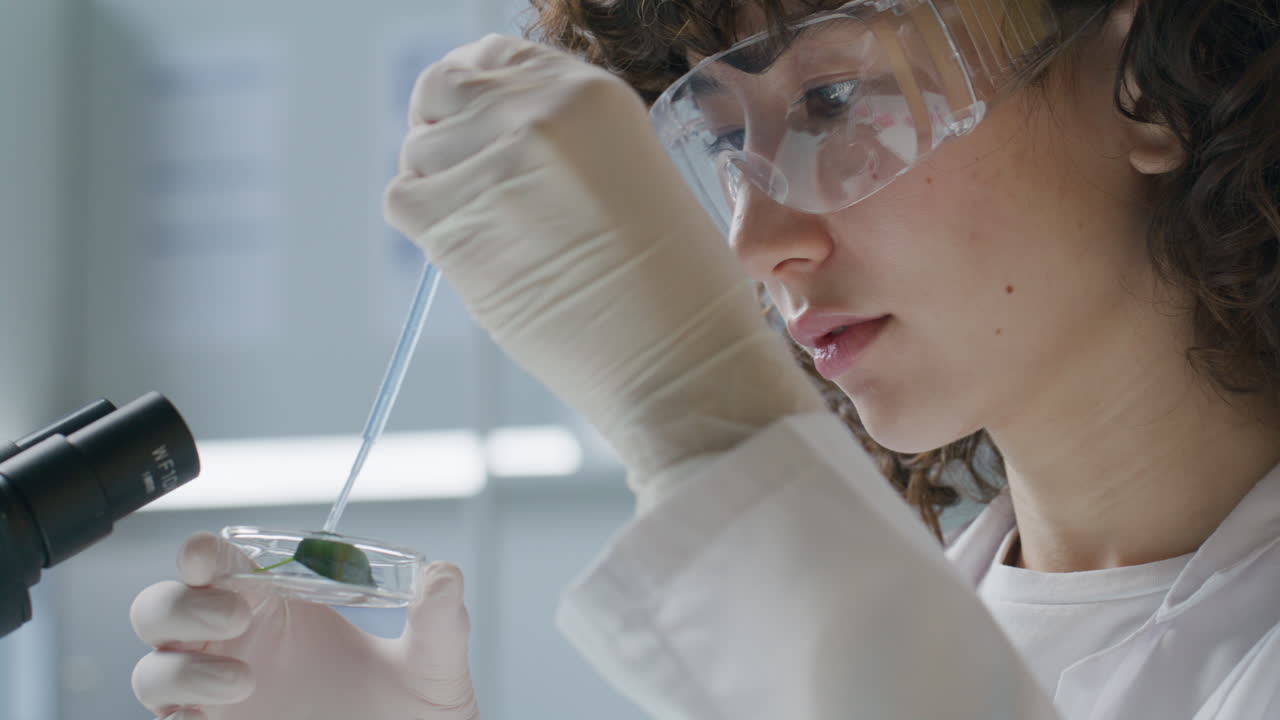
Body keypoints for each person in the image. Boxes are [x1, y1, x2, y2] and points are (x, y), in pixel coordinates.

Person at [128, 0, 1280, 718]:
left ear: (1144, 85)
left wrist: (703, 410)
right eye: (725, 145)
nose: (756, 242)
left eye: (830, 99)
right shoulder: (914, 620)